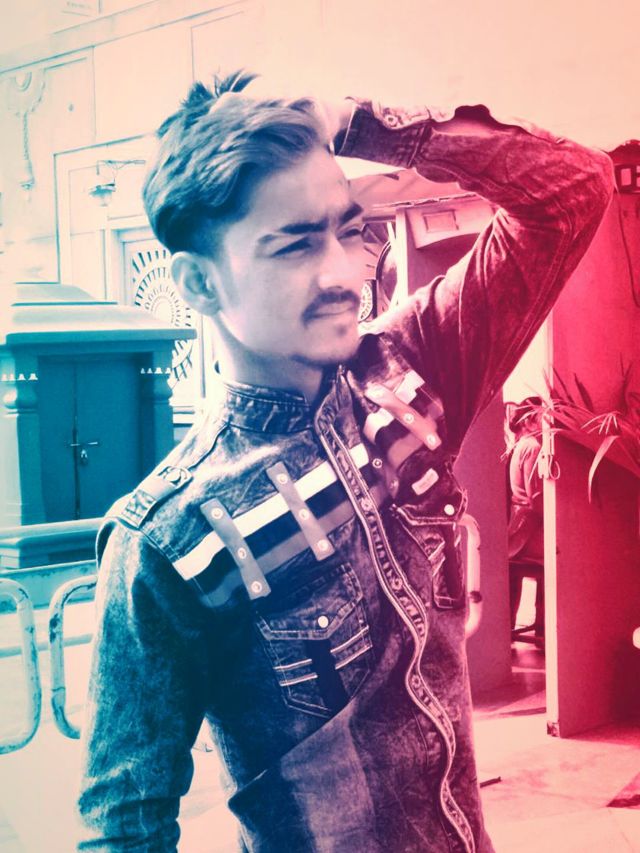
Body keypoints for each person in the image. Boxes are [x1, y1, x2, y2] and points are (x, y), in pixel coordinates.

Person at [77, 70, 613, 852]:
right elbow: (123, 823)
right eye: (295, 244)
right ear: (198, 281)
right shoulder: (170, 541)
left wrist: (362, 123)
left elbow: (575, 188)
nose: (343, 273)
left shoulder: (410, 373)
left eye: (348, 231)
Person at [506, 398, 545, 636]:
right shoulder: (533, 446)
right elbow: (536, 497)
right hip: (527, 526)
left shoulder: (521, 445)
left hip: (520, 522)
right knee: (558, 558)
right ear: (529, 420)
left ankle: (540, 625)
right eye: (542, 417)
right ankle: (543, 627)